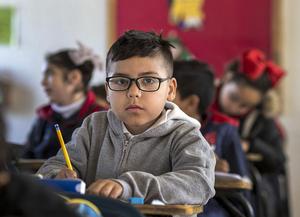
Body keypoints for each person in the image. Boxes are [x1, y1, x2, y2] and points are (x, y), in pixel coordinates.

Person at [37, 30, 216, 205]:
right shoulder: (94, 127)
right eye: (121, 81)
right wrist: (58, 174)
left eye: (148, 80)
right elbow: (51, 167)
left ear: (170, 89)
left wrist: (128, 186)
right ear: (108, 91)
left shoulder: (185, 135)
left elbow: (198, 184)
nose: (133, 92)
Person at [213, 49, 288, 217]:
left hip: (241, 198)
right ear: (226, 78)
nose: (235, 108)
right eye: (232, 97)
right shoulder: (203, 107)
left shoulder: (261, 119)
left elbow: (279, 160)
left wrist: (251, 145)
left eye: (245, 106)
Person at [173, 60, 250, 217]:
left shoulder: (224, 130)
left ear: (191, 103)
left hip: (211, 209)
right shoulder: (156, 128)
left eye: (169, 92)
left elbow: (242, 187)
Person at [23, 43, 104, 159]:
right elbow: (25, 158)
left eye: (49, 74)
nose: (43, 82)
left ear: (74, 77)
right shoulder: (44, 116)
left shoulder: (99, 118)